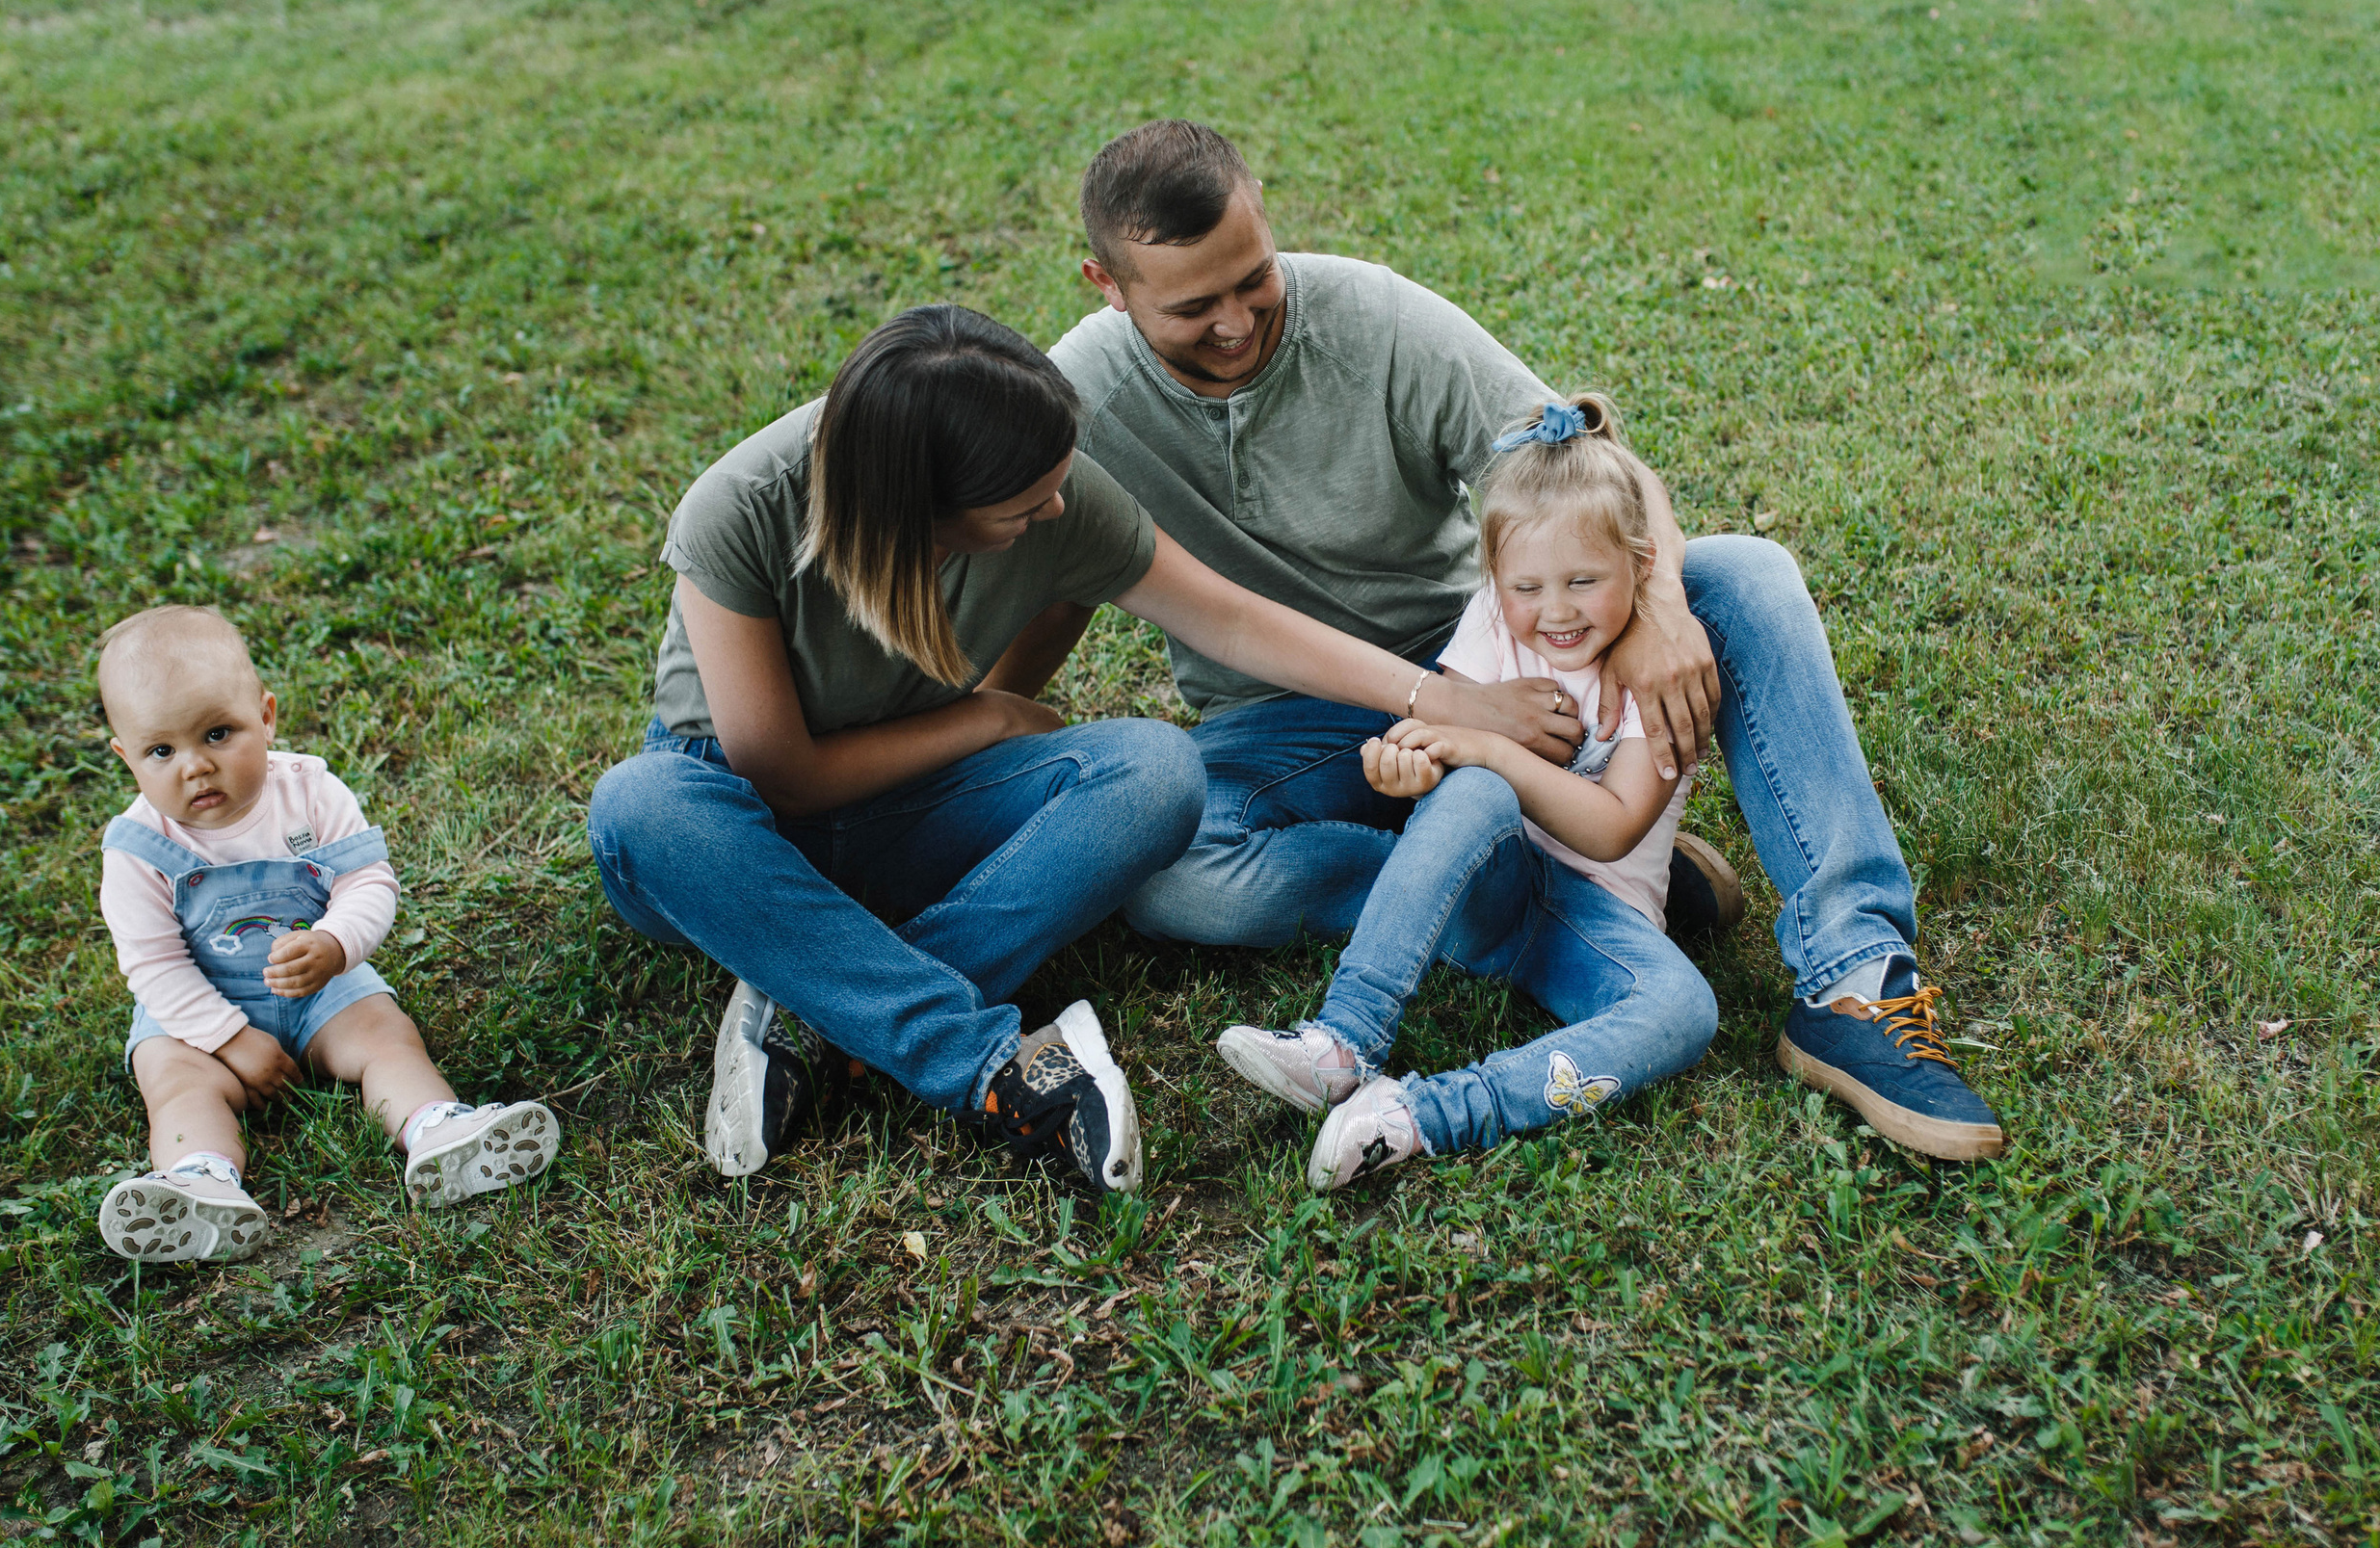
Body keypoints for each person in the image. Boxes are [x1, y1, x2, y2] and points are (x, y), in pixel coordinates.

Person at [1046, 120, 2004, 1162]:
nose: (1236, 322)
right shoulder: (1080, 392)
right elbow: (1037, 569)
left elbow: (1590, 460)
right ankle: (1530, 882)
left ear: (1265, 214)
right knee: (1169, 874)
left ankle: (1854, 982)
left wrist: (1662, 604)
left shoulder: (1375, 317)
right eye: (1193, 307)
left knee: (1745, 576)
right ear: (1108, 283)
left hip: (1486, 667)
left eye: (1254, 279)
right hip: (1287, 723)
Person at [584, 304, 1600, 1194]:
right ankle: (981, 1064)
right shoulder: (741, 507)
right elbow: (783, 775)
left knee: (1156, 771)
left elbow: (1235, 621)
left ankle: (822, 1013)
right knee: (639, 807)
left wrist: (1444, 695)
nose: (1057, 512)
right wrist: (981, 720)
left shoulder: (1040, 486)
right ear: (924, 509)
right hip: (737, 834)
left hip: (918, 817)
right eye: (1024, 506)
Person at [1220, 396, 1714, 1188]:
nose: (1555, 611)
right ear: (1494, 579)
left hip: (1590, 923)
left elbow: (1613, 826)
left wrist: (1484, 747)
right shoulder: (1494, 618)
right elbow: (1452, 778)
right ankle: (1341, 1043)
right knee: (1476, 792)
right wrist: (1411, 768)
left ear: (1642, 566)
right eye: (1528, 587)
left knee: (1686, 1009)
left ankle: (1417, 1116)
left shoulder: (1655, 675)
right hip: (1487, 888)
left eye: (1584, 581)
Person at [94, 607, 558, 1264]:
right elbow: (153, 964)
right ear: (125, 756)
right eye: (161, 751)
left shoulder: (310, 793)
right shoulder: (138, 847)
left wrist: (337, 941)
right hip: (195, 1012)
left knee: (385, 1034)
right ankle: (197, 1180)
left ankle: (435, 1128)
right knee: (173, 1079)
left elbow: (369, 881)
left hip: (324, 987)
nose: (194, 767)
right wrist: (228, 1038)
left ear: (267, 715)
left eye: (218, 733)